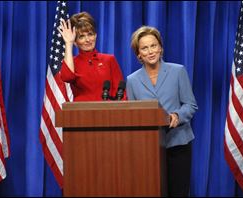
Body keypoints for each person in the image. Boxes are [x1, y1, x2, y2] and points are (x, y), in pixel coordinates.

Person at [126, 26, 198, 197]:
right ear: (139, 55)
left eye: (153, 45)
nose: (150, 51)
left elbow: (190, 104)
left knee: (178, 192)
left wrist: (177, 116)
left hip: (178, 143)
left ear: (160, 48)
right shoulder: (132, 80)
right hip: (148, 149)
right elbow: (133, 115)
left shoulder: (178, 71)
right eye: (144, 48)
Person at [58, 12, 126, 101]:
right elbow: (67, 77)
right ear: (75, 42)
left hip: (108, 112)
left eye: (90, 34)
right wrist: (68, 43)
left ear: (95, 35)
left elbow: (120, 93)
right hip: (81, 112)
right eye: (81, 37)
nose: (87, 40)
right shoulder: (73, 62)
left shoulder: (109, 60)